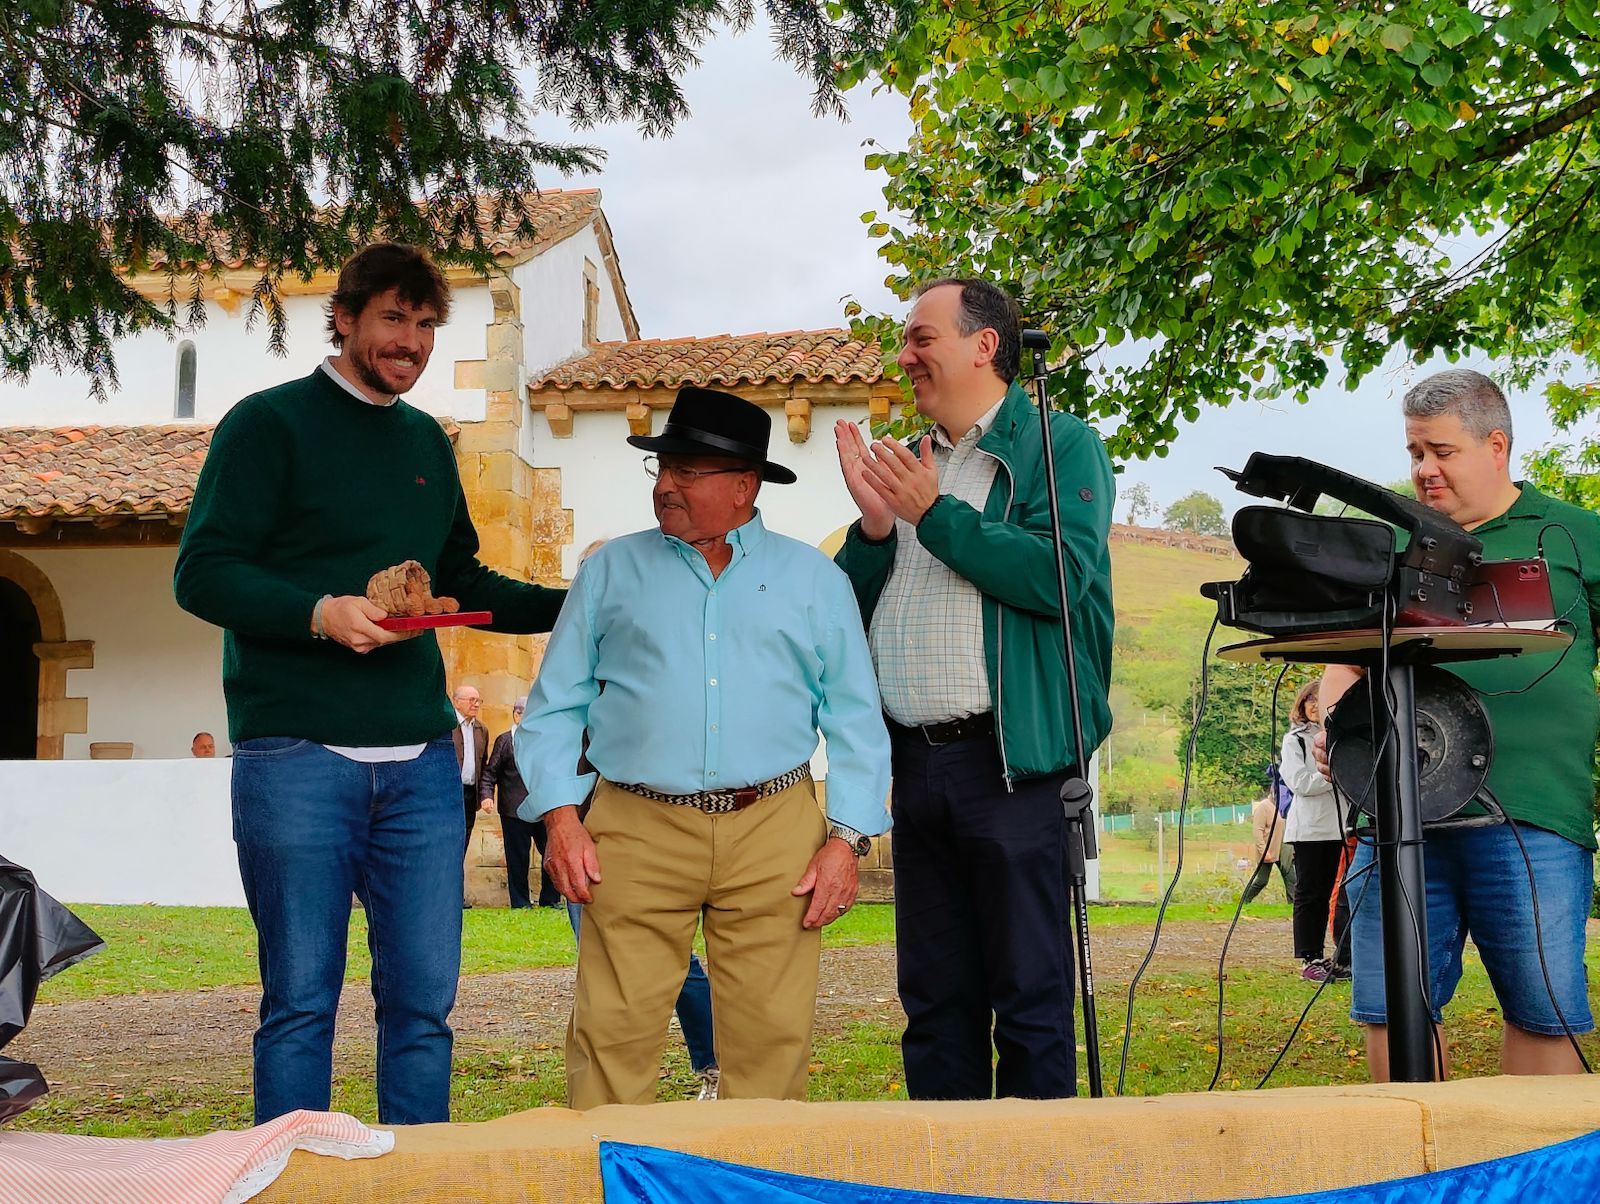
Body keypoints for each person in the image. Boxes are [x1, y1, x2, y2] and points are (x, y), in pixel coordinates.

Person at [173, 242, 565, 1125]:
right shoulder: (266, 424)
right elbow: (202, 573)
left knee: (424, 1012)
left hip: (425, 765)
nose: (413, 342)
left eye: (428, 325)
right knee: (302, 1006)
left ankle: (417, 1180)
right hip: (297, 759)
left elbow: (464, 581)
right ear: (344, 317)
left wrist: (577, 605)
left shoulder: (427, 440)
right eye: (394, 318)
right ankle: (296, 1177)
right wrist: (319, 611)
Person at [517, 385, 891, 1108]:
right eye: (662, 470)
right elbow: (552, 708)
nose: (666, 486)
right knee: (610, 1037)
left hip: (775, 828)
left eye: (687, 471)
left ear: (744, 486)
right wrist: (561, 818)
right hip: (633, 822)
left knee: (770, 1041)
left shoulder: (813, 578)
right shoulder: (608, 572)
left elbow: (854, 716)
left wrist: (847, 838)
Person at [832, 277, 1115, 1100]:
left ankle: (1038, 1188)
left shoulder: (1060, 446)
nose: (906, 354)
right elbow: (847, 618)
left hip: (1012, 763)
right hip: (916, 770)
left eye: (923, 337)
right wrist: (875, 531)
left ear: (985, 344)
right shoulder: (911, 464)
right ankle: (943, 1183)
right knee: (934, 1003)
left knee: (1029, 999)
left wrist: (935, 515)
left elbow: (1060, 577)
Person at [1315, 368, 1600, 1080]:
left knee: (1543, 1011)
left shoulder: (1579, 537)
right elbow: (1345, 658)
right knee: (1388, 1009)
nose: (1424, 470)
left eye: (1441, 451)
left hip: (1532, 815)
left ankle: (1531, 1186)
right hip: (1397, 810)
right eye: (1415, 453)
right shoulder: (1386, 542)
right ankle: (1419, 1181)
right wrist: (1330, 717)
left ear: (1496, 446)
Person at [1281, 679, 1350, 983]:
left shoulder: (1344, 735)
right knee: (1311, 894)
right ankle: (1310, 958)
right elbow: (1301, 783)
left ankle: (1343, 956)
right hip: (1310, 829)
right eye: (1309, 698)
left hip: (1343, 824)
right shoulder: (1294, 740)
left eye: (1320, 699)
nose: (1313, 704)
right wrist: (1339, 775)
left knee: (1345, 891)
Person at [480, 697, 561, 909]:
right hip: (513, 811)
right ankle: (520, 901)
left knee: (551, 853)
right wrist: (486, 796)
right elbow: (490, 773)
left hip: (542, 808)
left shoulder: (544, 741)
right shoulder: (505, 741)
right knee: (518, 858)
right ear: (517, 715)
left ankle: (550, 899)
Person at [452, 684, 490, 863]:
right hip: (448, 793)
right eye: (471, 700)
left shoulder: (481, 730)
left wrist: (484, 795)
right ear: (457, 702)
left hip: (469, 794)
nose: (476, 704)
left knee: (465, 840)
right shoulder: (446, 726)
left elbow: (484, 765)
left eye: (478, 701)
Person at [1241, 793, 1295, 906]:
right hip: (1268, 849)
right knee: (1262, 880)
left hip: (1283, 849)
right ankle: (1244, 901)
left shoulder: (1286, 807)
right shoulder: (1263, 807)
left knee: (1291, 878)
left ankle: (1293, 905)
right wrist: (1263, 850)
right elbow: (1257, 831)